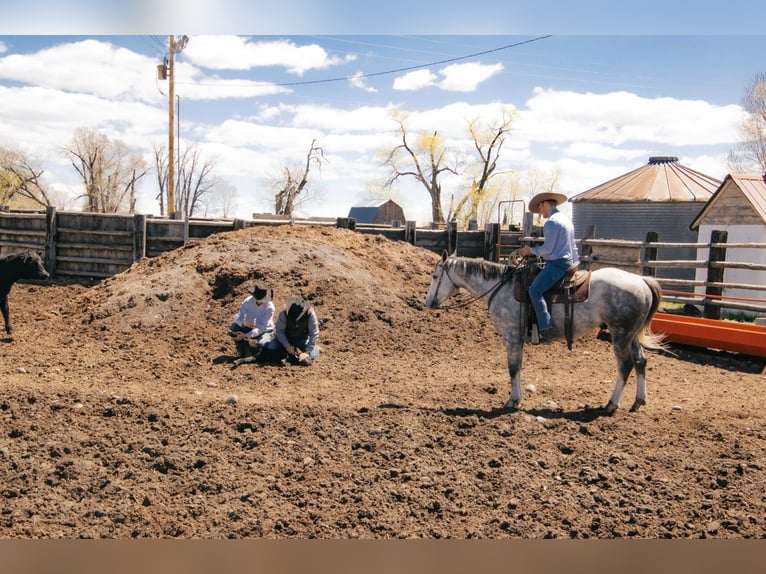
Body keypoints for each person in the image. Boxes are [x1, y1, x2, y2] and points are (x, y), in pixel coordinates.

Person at [517, 191, 579, 343]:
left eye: (539, 208)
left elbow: (548, 249)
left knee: (535, 290)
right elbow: (573, 246)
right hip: (567, 262)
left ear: (545, 204)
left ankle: (546, 329)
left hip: (557, 264)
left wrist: (529, 250)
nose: (539, 212)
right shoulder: (566, 220)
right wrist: (576, 262)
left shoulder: (551, 222)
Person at [228, 283, 279, 360]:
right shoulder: (248, 301)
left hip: (265, 330)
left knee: (263, 344)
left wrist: (245, 335)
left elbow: (262, 327)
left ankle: (255, 350)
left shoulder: (270, 307)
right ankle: (242, 350)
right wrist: (244, 323)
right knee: (234, 327)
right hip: (249, 326)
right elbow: (237, 316)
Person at [274, 297, 321, 366]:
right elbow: (279, 331)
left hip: (302, 339)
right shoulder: (283, 313)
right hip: (286, 338)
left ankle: (313, 349)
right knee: (271, 348)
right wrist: (287, 345)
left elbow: (314, 333)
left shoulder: (310, 313)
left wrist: (307, 352)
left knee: (313, 354)